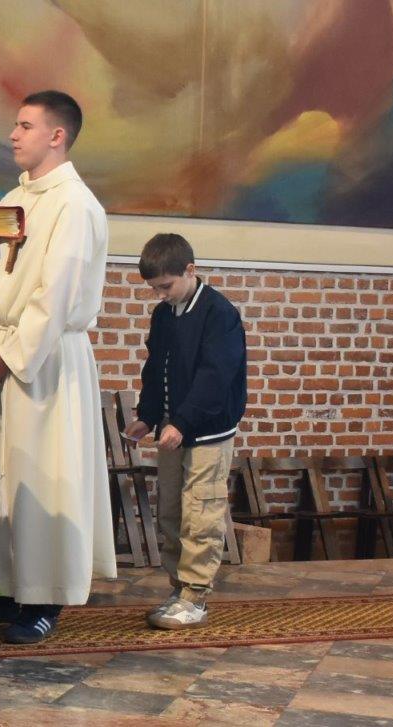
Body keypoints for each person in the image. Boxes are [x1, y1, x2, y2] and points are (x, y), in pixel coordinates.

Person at [0, 90, 116, 644]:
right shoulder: (13, 199)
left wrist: (7, 359)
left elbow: (57, 294)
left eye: (25, 125)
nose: (13, 134)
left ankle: (45, 597)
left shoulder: (76, 205)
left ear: (57, 136)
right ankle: (0, 587)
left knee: (44, 477)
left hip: (45, 360)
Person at [124, 233, 247, 630]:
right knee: (172, 512)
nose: (160, 295)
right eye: (154, 289)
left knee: (201, 513)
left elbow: (215, 377)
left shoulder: (219, 314)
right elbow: (156, 368)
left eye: (166, 286)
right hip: (173, 429)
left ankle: (196, 596)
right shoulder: (164, 315)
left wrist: (182, 421)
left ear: (190, 270)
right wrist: (148, 416)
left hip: (206, 430)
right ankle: (178, 590)